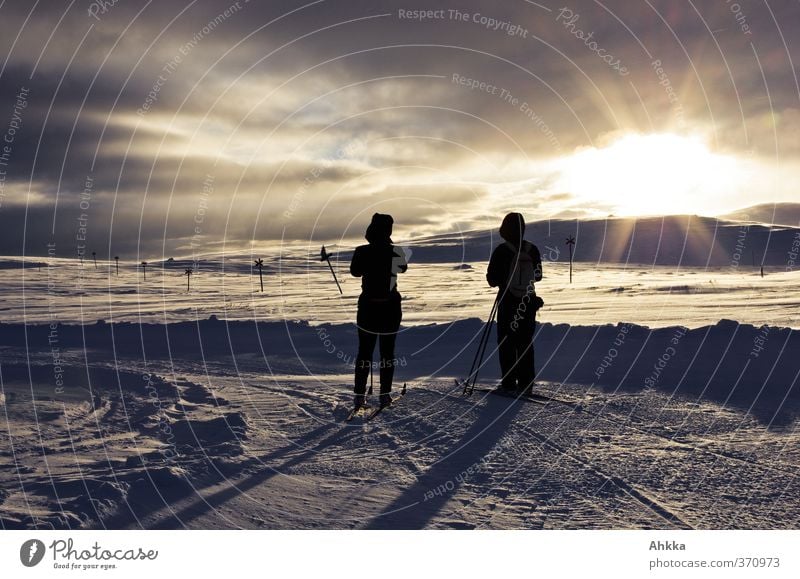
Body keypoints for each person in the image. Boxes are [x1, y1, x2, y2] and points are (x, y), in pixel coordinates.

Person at [350, 213, 408, 409]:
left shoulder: (361, 251)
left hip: (367, 306)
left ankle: (359, 395)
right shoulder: (396, 251)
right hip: (390, 307)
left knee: (364, 351)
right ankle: (384, 395)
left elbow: (355, 271)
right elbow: (403, 269)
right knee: (387, 353)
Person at [486, 212, 543, 394]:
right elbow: (538, 276)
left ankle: (509, 383)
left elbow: (492, 280)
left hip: (508, 302)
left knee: (507, 342)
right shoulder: (532, 249)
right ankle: (526, 383)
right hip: (528, 302)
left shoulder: (502, 251)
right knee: (525, 342)